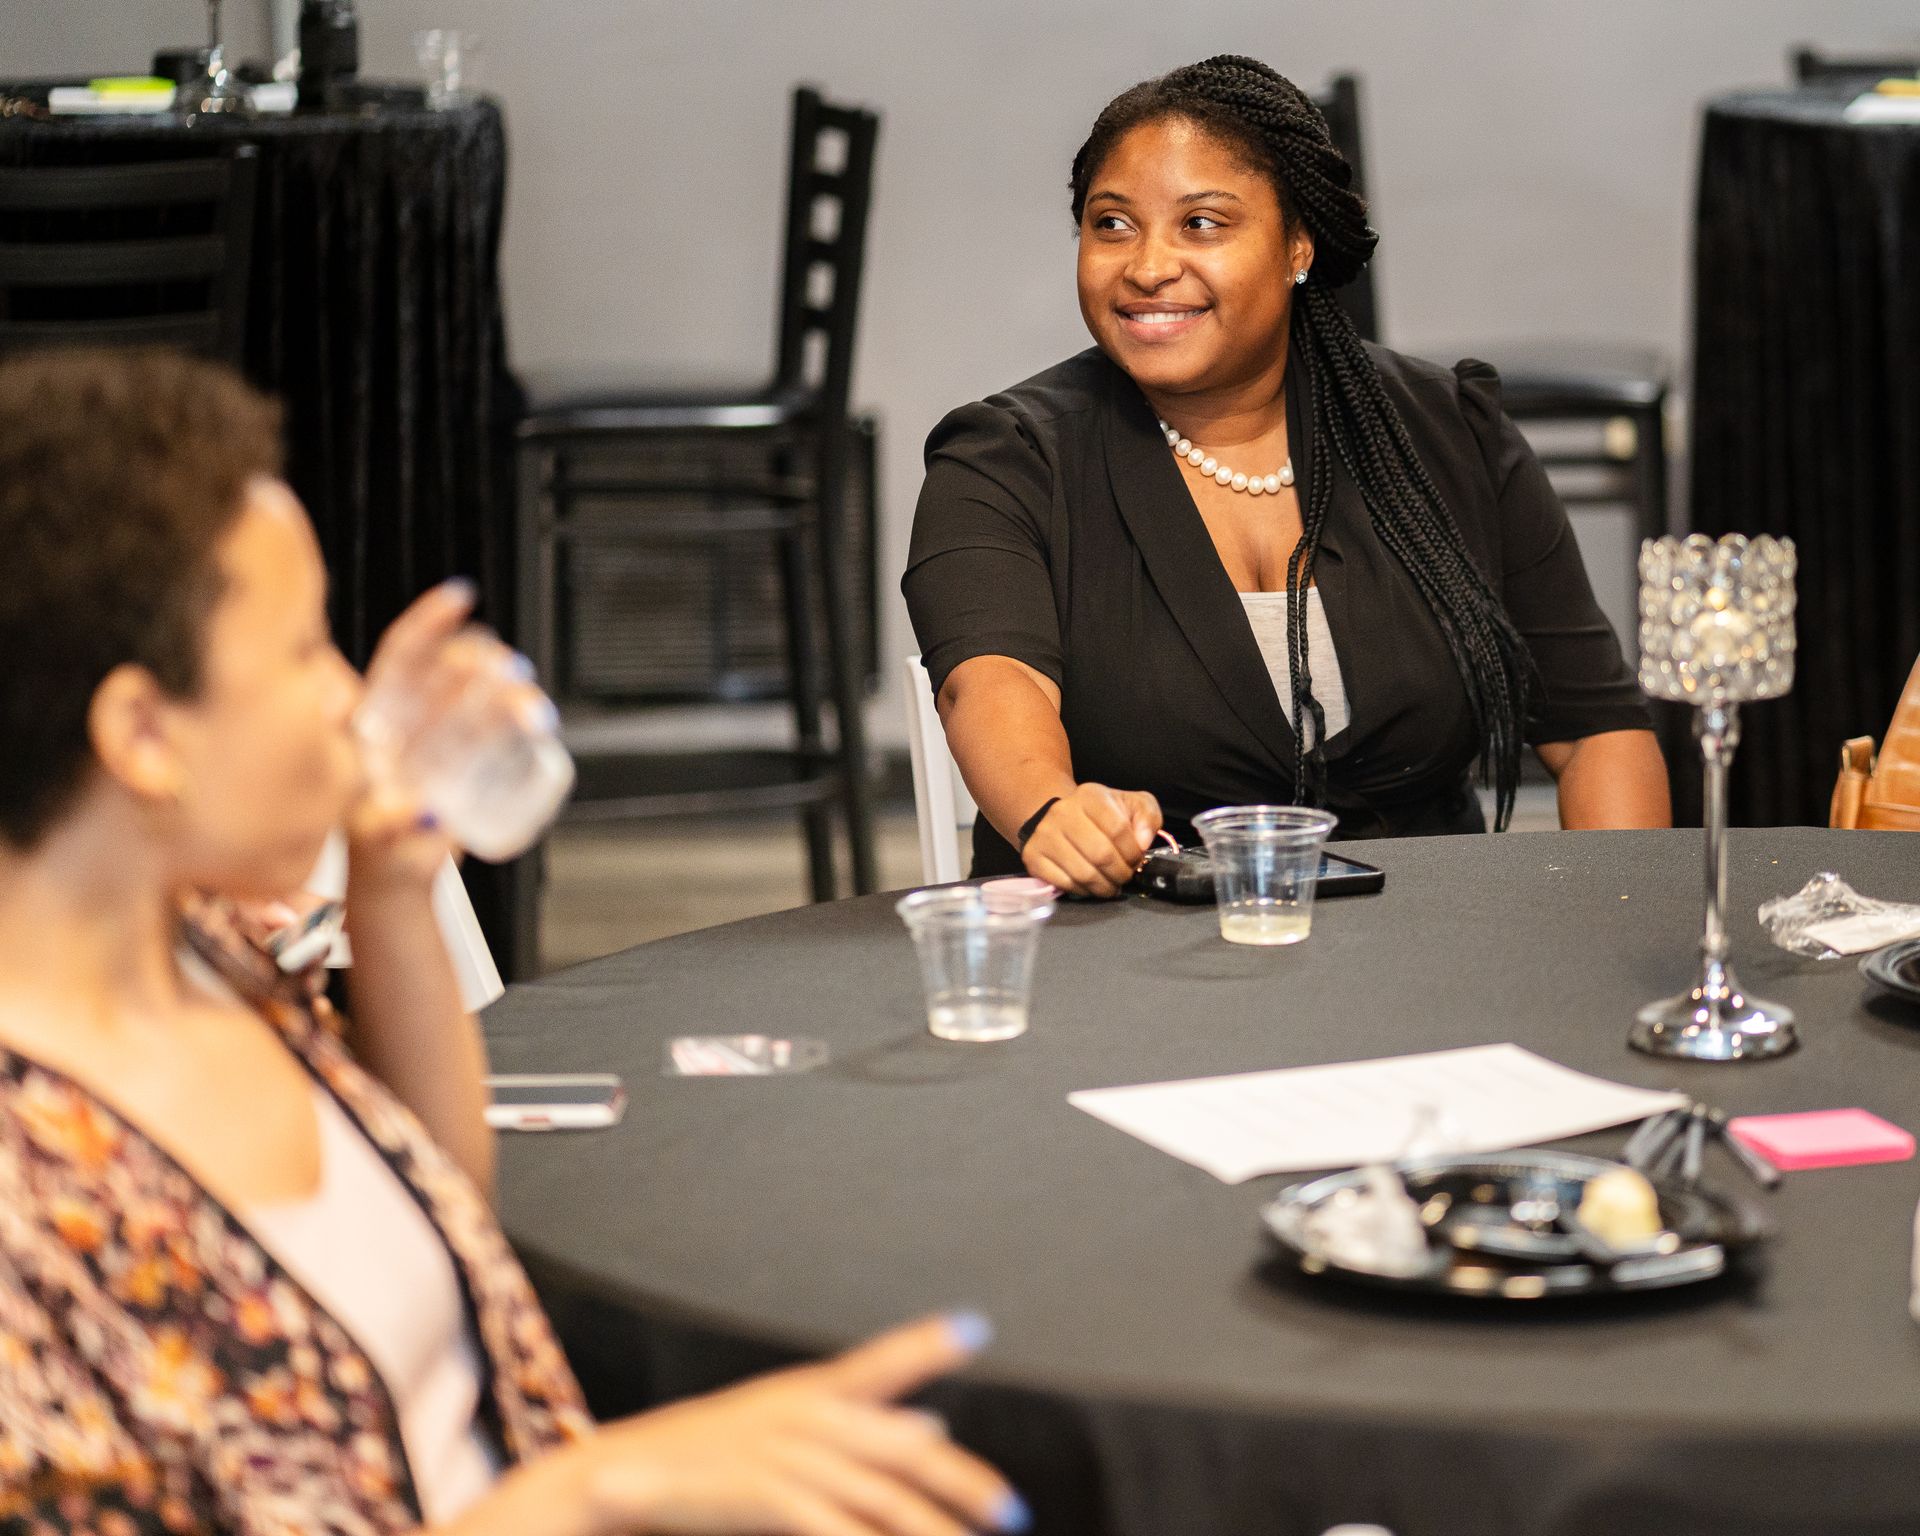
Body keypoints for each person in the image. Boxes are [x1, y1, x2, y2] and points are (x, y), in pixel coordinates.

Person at [0, 348, 1027, 1536]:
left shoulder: (208, 951)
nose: (348, 693)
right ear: (140, 731)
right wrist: (585, 1492)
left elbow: (439, 1213)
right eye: (302, 650)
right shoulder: (29, 1186)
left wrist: (393, 893)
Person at [904, 55, 1671, 894]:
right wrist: (1052, 809)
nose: (1147, 265)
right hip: (1132, 947)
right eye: (1111, 224)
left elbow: (1598, 730)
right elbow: (990, 682)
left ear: (1297, 245)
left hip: (1430, 951)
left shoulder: (1447, 432)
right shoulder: (1006, 458)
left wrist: (1612, 919)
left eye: (1202, 224)